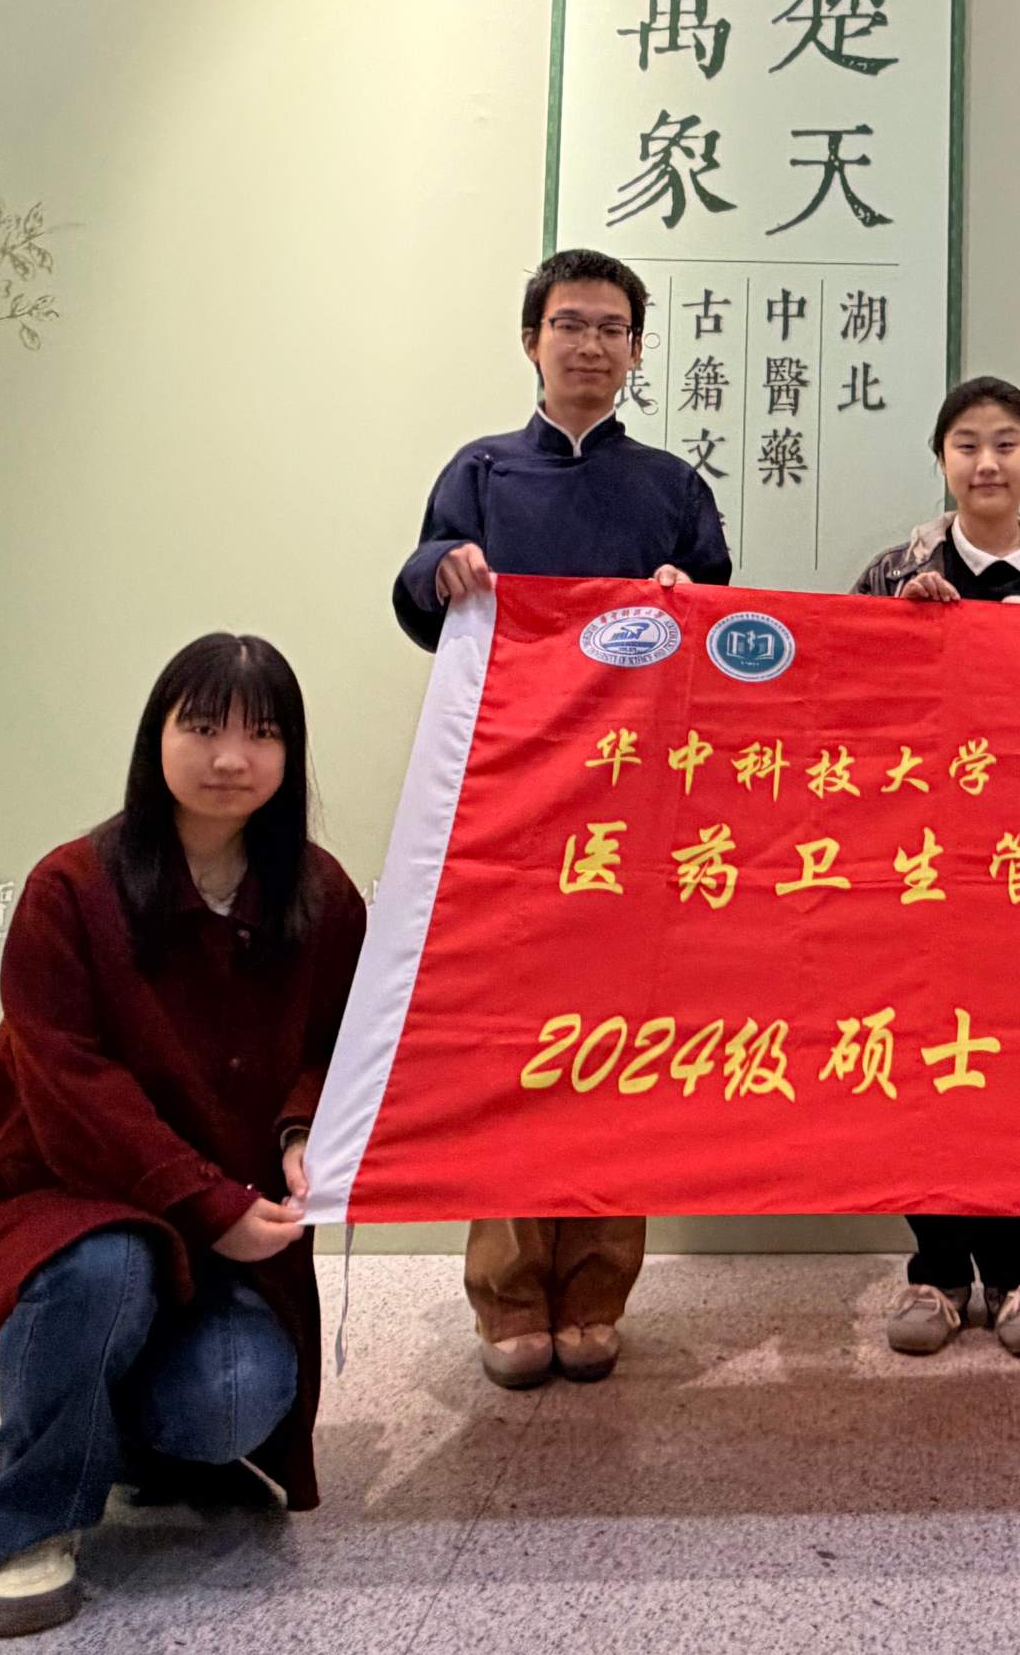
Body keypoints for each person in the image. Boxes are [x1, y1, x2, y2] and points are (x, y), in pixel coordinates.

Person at [0, 634, 367, 1640]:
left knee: (234, 1402)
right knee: (109, 1270)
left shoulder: (320, 894)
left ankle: (118, 1429)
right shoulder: (70, 889)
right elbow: (70, 1081)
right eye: (202, 727)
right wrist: (204, 1203)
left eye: (263, 734)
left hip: (230, 1233)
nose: (231, 758)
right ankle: (25, 1524)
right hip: (67, 1200)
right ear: (156, 737)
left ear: (292, 753)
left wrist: (303, 1132)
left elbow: (341, 1043)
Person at [392, 247, 731, 1390]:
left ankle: (596, 1287)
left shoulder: (671, 486)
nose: (591, 344)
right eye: (571, 323)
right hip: (511, 805)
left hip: (634, 808)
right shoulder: (481, 472)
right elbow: (420, 590)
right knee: (509, 1046)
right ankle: (506, 1292)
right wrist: (442, 569)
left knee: (617, 1045)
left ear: (637, 349)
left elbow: (724, 621)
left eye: (612, 328)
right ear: (531, 339)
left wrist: (693, 601)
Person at [849, 375, 1020, 1359]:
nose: (987, 462)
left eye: (1007, 442)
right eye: (966, 444)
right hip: (924, 868)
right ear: (941, 460)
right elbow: (845, 712)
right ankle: (933, 1270)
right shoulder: (895, 570)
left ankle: (1015, 1271)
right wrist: (896, 632)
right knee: (925, 1060)